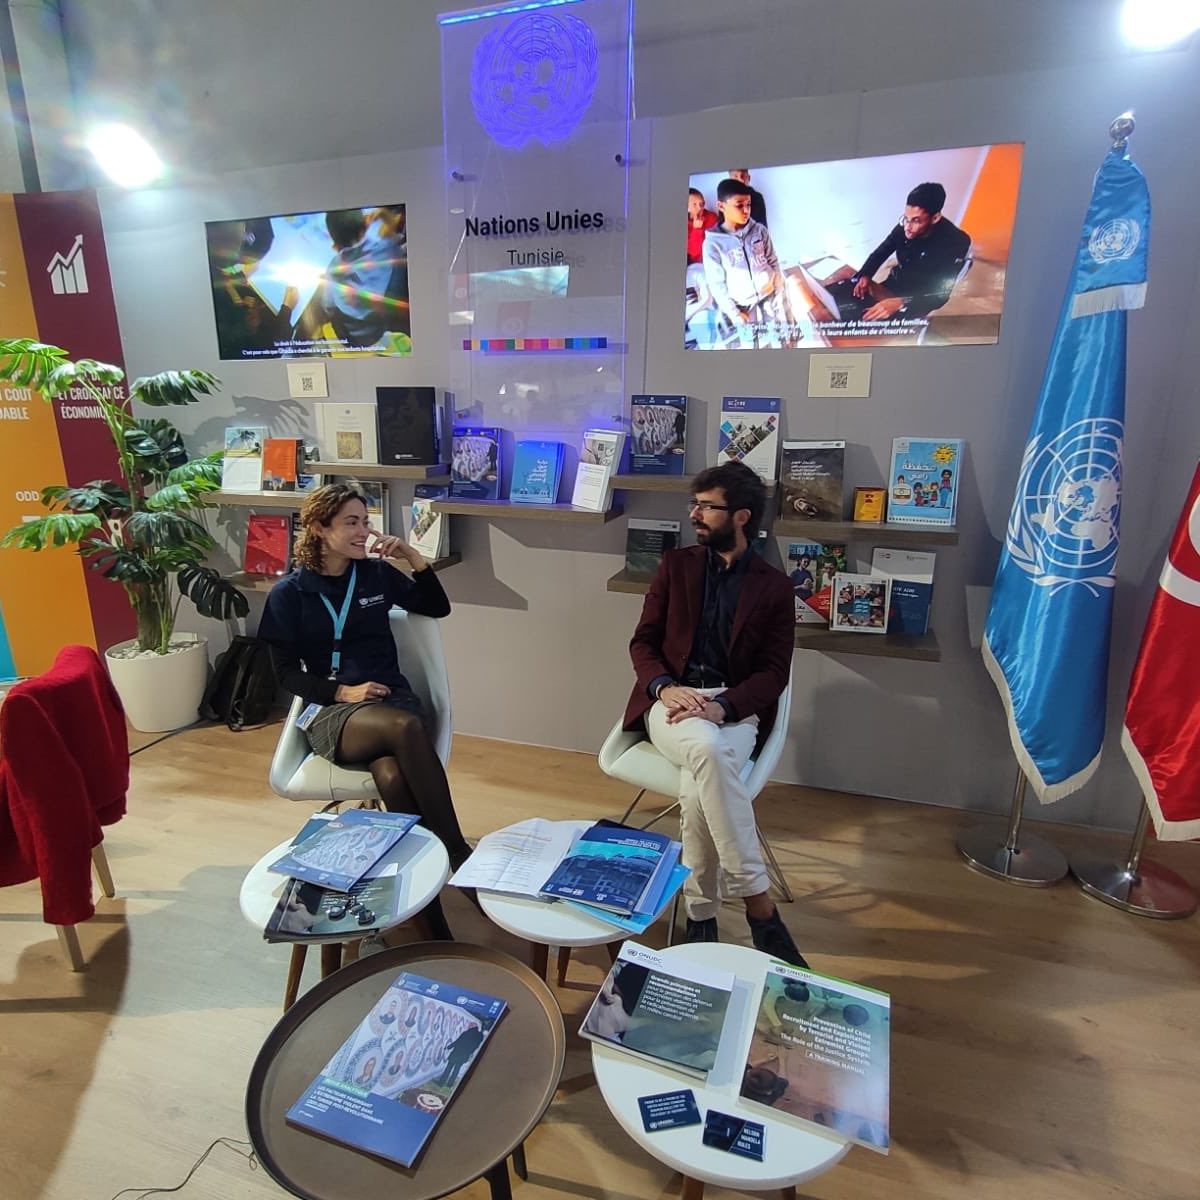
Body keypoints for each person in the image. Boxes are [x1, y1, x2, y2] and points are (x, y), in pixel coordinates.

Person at [623, 462, 807, 966]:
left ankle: (701, 915)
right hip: (673, 703)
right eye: (695, 504)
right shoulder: (675, 567)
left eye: (707, 507)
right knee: (706, 747)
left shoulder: (773, 587)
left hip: (735, 708)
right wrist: (664, 688)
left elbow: (773, 672)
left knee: (697, 789)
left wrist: (723, 705)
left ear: (741, 516)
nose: (694, 514)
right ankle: (759, 906)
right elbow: (643, 643)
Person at [258, 483, 472, 871]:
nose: (364, 532)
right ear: (319, 528)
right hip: (333, 712)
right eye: (351, 523)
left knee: (391, 775)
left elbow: (436, 607)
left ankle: (419, 871)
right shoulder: (289, 594)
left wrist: (412, 557)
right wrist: (342, 691)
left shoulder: (375, 574)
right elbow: (286, 675)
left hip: (393, 698)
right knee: (405, 727)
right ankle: (457, 853)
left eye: (366, 522)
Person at [822, 181, 971, 322]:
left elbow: (940, 295)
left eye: (916, 220)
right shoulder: (905, 225)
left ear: (935, 218)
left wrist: (902, 302)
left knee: (847, 326)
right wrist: (865, 274)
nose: (907, 227)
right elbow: (880, 253)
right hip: (892, 287)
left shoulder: (956, 242)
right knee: (837, 297)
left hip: (916, 303)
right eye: (906, 218)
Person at [702, 179, 792, 348]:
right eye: (739, 205)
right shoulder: (713, 244)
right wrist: (734, 313)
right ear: (721, 206)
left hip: (769, 295)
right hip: (742, 306)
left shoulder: (759, 230)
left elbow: (773, 260)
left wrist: (779, 287)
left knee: (778, 337)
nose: (746, 210)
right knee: (750, 344)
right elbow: (716, 284)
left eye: (748, 204)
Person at [686, 187, 719, 264]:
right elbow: (693, 252)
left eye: (701, 204)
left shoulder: (712, 217)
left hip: (714, 258)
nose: (700, 208)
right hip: (697, 263)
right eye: (694, 204)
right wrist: (697, 229)